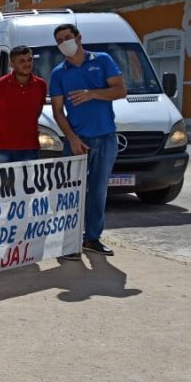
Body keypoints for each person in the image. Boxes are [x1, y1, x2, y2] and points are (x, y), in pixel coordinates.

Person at [49, 23, 127, 257]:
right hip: (77, 141)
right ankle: (68, 242)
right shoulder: (58, 73)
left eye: (67, 38)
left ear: (79, 37)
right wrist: (71, 138)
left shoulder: (102, 60)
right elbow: (57, 111)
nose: (64, 43)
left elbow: (121, 91)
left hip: (105, 138)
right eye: (60, 41)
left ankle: (92, 239)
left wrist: (92, 93)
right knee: (70, 193)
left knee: (98, 191)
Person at [0, 45, 47, 163]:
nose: (27, 64)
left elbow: (37, 111)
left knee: (28, 182)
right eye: (21, 61)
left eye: (29, 59)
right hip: (2, 148)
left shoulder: (41, 85)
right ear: (12, 64)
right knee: (2, 182)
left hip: (30, 148)